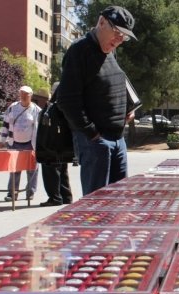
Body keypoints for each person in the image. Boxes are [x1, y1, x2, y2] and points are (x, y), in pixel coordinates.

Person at [57, 5, 137, 196]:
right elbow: (67, 100)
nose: (119, 40)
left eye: (124, 37)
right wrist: (92, 134)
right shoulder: (79, 51)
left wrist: (128, 107)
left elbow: (113, 82)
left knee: (119, 201)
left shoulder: (110, 50)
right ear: (101, 22)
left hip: (118, 139)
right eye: (117, 32)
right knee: (97, 206)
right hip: (96, 141)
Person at [0, 85, 41, 202]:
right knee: (14, 169)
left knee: (32, 169)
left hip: (30, 144)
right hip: (14, 143)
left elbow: (40, 129)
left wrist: (39, 146)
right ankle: (12, 193)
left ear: (31, 96)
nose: (23, 96)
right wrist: (2, 140)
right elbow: (6, 124)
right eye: (21, 93)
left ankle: (30, 192)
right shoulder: (12, 107)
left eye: (26, 94)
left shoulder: (36, 110)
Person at [39, 82, 73, 207]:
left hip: (52, 145)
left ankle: (55, 197)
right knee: (62, 171)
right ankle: (66, 196)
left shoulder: (54, 106)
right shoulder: (65, 105)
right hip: (61, 145)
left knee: (51, 171)